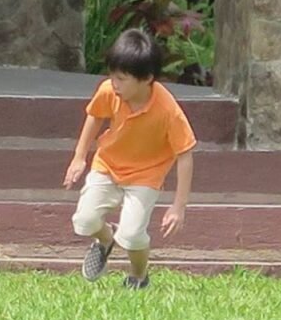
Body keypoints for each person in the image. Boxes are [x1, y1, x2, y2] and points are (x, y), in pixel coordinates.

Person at [63, 29, 196, 289]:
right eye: (112, 76)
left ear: (147, 79)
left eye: (122, 79)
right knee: (84, 220)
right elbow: (95, 116)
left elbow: (185, 155)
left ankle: (138, 276)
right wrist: (79, 157)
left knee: (133, 235)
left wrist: (178, 207)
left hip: (146, 175)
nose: (114, 84)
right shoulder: (108, 91)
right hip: (107, 165)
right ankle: (105, 239)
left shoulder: (168, 110)